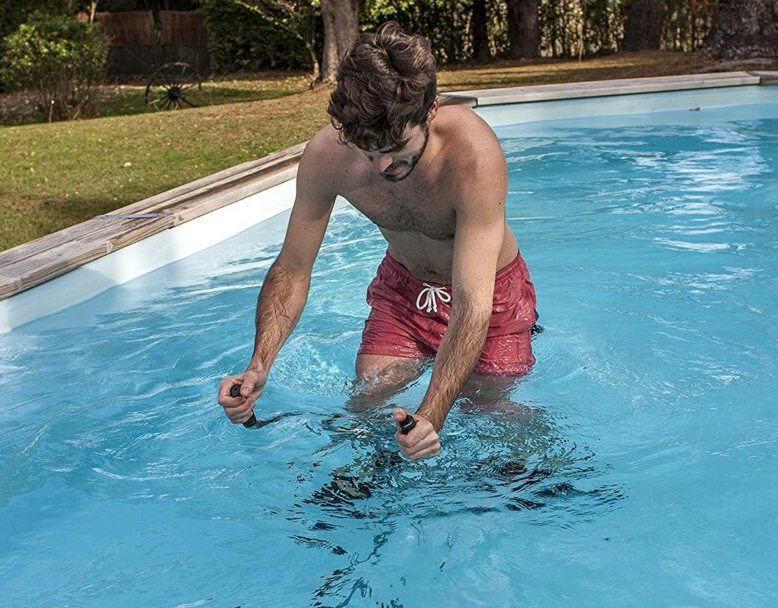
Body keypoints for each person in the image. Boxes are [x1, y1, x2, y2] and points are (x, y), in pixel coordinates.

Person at [217, 22, 538, 460]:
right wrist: (258, 365)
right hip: (403, 290)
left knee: (491, 410)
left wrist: (433, 414)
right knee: (367, 402)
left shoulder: (473, 156)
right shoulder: (329, 155)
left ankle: (542, 481)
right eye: (369, 149)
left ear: (429, 111)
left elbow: (472, 305)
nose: (383, 163)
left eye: (395, 145)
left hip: (489, 294)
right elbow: (293, 267)